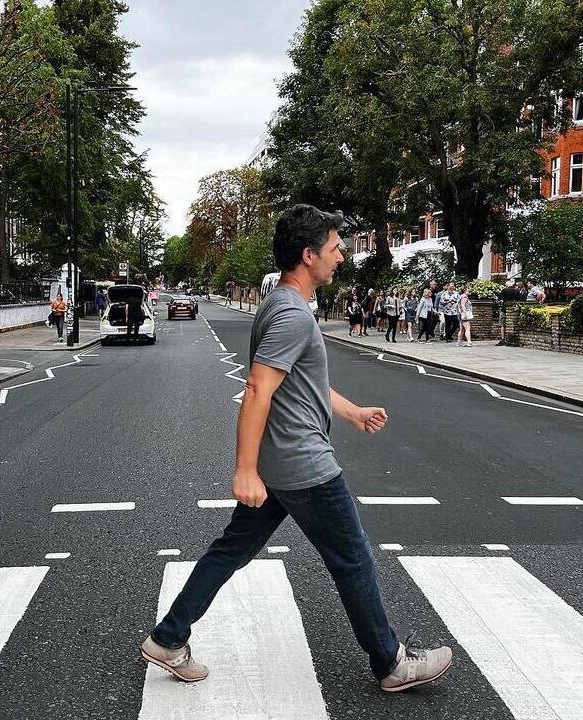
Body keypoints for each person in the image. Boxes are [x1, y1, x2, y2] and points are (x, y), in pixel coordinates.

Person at [139, 203, 452, 692]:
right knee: (353, 559)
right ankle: (392, 664)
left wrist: (351, 412)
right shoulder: (293, 315)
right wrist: (244, 470)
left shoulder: (281, 305)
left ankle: (168, 637)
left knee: (230, 551)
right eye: (334, 248)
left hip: (281, 465)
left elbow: (299, 382)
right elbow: (260, 388)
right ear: (308, 255)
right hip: (304, 465)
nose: (342, 257)